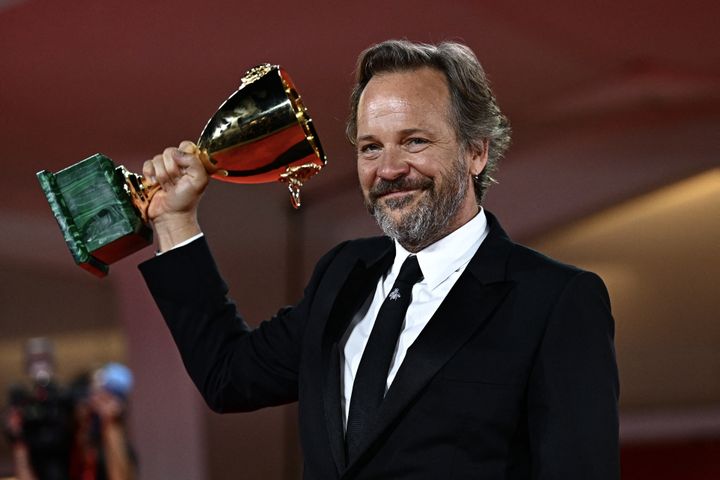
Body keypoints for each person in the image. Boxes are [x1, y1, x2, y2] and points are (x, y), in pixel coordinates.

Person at [139, 40, 620, 479]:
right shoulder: (343, 273)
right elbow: (229, 376)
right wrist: (175, 221)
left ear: (476, 152)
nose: (389, 169)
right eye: (371, 147)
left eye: (414, 141)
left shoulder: (554, 300)